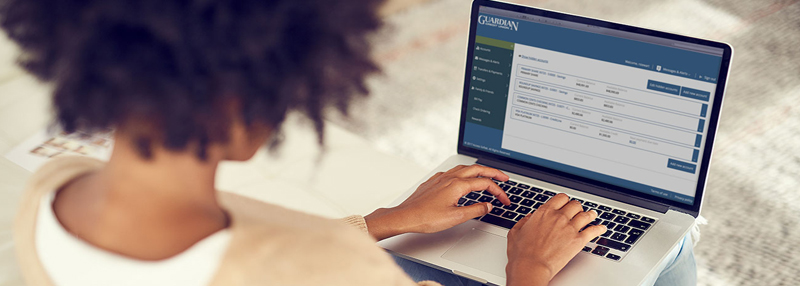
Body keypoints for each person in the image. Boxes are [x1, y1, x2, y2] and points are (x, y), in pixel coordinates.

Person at [0, 0, 695, 285]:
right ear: (239, 105)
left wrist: (388, 222)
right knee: (672, 260)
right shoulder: (332, 269)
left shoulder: (52, 189)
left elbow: (256, 255)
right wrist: (529, 268)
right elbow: (293, 266)